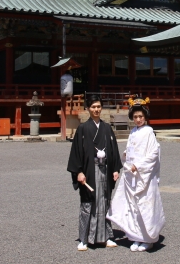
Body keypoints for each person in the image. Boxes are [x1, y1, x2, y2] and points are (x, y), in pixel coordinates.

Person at [107, 101, 165, 252]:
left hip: (144, 175)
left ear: (145, 117)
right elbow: (129, 149)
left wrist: (138, 166)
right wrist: (126, 157)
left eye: (141, 116)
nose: (138, 119)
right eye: (135, 116)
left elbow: (153, 154)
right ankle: (135, 236)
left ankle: (148, 239)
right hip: (131, 175)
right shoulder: (133, 131)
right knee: (132, 206)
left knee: (144, 205)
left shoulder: (149, 132)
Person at [67, 94, 122, 251]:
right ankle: (84, 238)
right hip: (89, 171)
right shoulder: (83, 129)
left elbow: (114, 150)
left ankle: (107, 236)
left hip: (105, 170)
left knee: (104, 202)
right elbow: (76, 152)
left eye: (98, 106)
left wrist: (116, 168)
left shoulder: (107, 128)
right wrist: (78, 172)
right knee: (88, 203)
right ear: (88, 109)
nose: (96, 109)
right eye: (93, 107)